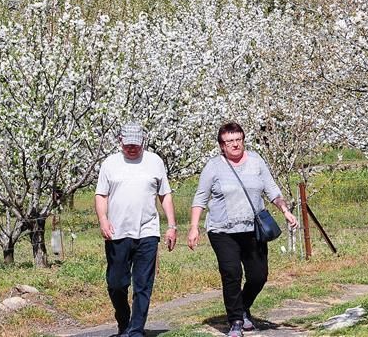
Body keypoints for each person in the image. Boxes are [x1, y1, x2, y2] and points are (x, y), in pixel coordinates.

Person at [187, 122, 300, 337]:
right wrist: (194, 227)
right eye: (229, 141)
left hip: (253, 229)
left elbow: (272, 189)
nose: (235, 144)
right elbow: (200, 198)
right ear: (222, 145)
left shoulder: (256, 161)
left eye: (238, 139)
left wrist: (285, 210)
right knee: (232, 273)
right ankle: (236, 320)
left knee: (259, 276)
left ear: (243, 140)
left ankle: (243, 306)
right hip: (222, 230)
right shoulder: (214, 166)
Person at [95, 123, 177, 337]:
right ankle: (124, 322)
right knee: (116, 283)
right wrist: (103, 219)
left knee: (143, 284)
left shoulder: (154, 162)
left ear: (143, 141)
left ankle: (136, 329)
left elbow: (165, 195)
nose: (131, 148)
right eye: (127, 144)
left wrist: (171, 226)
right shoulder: (110, 164)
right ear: (120, 141)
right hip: (117, 232)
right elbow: (101, 195)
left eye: (136, 144)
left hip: (147, 232)